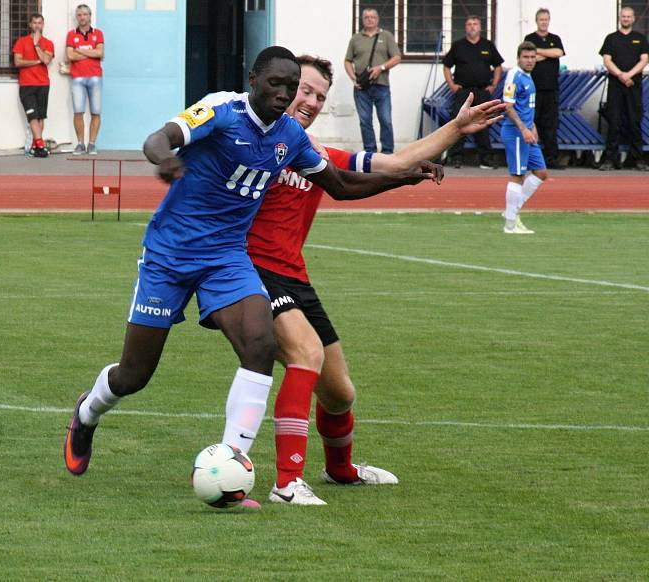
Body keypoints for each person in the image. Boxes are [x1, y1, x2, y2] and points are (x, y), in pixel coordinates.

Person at [63, 47, 440, 494]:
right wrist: (165, 159)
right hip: (170, 256)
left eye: (291, 87)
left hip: (226, 258)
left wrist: (406, 177)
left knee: (259, 344)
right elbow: (157, 139)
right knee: (134, 374)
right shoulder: (222, 109)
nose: (284, 94)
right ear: (253, 79)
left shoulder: (290, 138)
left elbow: (339, 186)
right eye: (276, 84)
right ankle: (87, 413)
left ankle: (231, 469)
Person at [248, 55, 505, 505]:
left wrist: (455, 130)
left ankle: (341, 470)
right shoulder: (248, 142)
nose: (308, 101)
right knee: (304, 356)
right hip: (252, 270)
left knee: (340, 393)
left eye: (319, 96)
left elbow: (393, 161)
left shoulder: (314, 154)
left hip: (295, 275)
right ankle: (286, 483)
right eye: (304, 90)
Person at [443, 15, 504, 169]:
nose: (472, 27)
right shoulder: (458, 46)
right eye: (469, 24)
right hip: (463, 92)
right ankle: (455, 157)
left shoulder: (488, 45)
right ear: (465, 27)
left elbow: (498, 66)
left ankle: (485, 159)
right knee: (458, 124)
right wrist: (452, 85)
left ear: (480, 27)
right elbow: (446, 66)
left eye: (475, 24)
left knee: (483, 124)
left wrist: (494, 85)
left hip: (482, 91)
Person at [501, 42, 547, 235]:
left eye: (532, 57)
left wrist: (532, 126)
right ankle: (510, 225)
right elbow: (508, 106)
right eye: (526, 57)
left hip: (527, 132)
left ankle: (511, 211)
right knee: (517, 175)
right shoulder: (514, 75)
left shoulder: (528, 77)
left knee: (541, 172)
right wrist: (523, 129)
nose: (529, 60)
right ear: (518, 58)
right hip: (516, 133)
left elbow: (525, 107)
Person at [344, 8, 401, 154]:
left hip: (382, 85)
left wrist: (381, 68)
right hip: (361, 87)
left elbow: (397, 57)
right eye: (366, 17)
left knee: (385, 120)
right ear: (362, 20)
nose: (369, 19)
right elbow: (347, 61)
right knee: (365, 121)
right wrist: (353, 78)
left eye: (372, 17)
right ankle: (369, 151)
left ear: (377, 19)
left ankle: (388, 152)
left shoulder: (386, 36)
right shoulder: (356, 38)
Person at [598, 6, 649, 172]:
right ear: (620, 18)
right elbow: (607, 60)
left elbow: (644, 60)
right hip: (615, 87)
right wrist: (621, 75)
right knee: (614, 122)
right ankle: (610, 160)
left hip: (634, 87)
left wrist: (629, 75)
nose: (626, 19)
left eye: (629, 17)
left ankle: (638, 160)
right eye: (623, 16)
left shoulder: (640, 38)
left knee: (635, 122)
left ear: (633, 19)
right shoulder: (611, 38)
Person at [524, 8, 565, 169]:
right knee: (531, 123)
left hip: (551, 90)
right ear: (536, 21)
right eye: (541, 19)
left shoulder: (555, 38)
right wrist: (546, 54)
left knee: (550, 126)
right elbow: (528, 56)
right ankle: (530, 159)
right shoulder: (530, 38)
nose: (544, 22)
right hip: (533, 90)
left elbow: (558, 52)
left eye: (546, 19)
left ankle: (551, 159)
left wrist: (539, 52)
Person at [13, 13, 54, 158]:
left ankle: (36, 147)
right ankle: (40, 145)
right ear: (30, 25)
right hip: (27, 84)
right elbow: (18, 62)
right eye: (34, 23)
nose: (37, 25)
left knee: (40, 117)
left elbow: (46, 60)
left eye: (40, 23)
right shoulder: (21, 42)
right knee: (32, 116)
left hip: (43, 84)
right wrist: (37, 62)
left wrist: (36, 45)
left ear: (43, 25)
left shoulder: (48, 43)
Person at [66, 4, 104, 156]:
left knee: (96, 112)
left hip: (95, 77)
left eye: (84, 14)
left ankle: (92, 143)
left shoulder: (98, 33)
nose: (82, 17)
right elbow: (70, 56)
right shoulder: (71, 34)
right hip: (77, 78)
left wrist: (80, 50)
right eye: (79, 14)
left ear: (90, 16)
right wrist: (91, 52)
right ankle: (80, 144)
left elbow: (101, 53)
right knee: (78, 112)